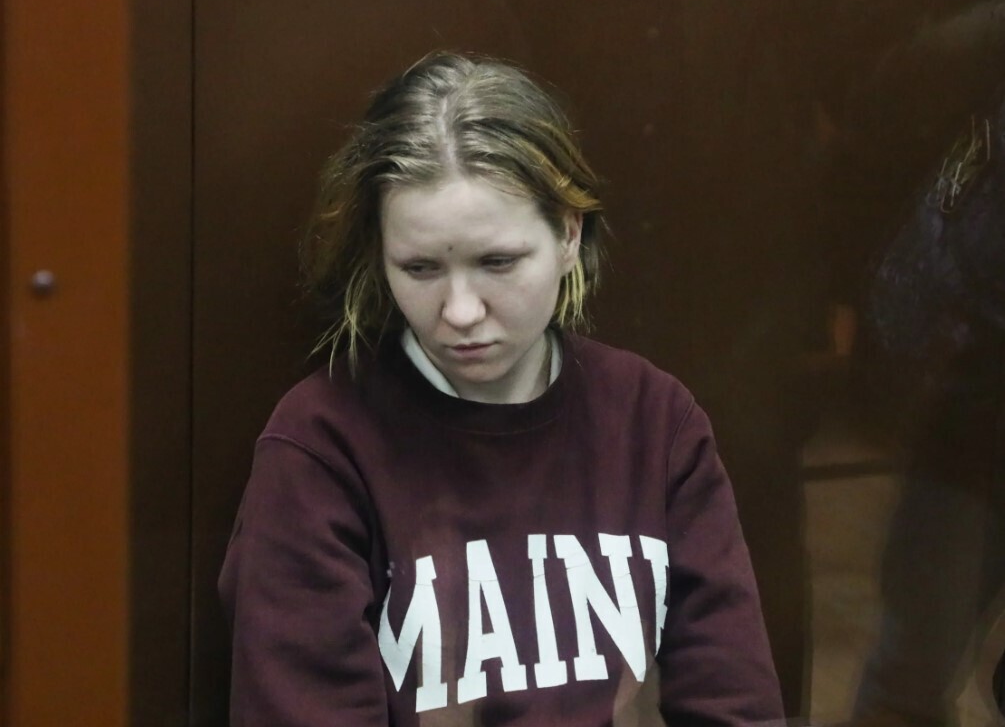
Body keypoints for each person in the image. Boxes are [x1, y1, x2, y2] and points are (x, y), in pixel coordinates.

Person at [218, 51, 784, 727]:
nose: (460, 311)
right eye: (420, 268)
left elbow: (733, 701)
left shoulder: (652, 419)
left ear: (567, 234)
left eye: (497, 262)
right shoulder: (322, 444)